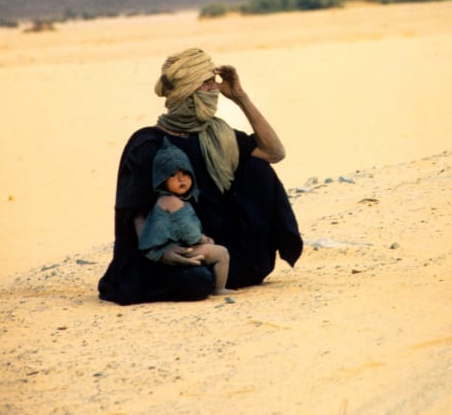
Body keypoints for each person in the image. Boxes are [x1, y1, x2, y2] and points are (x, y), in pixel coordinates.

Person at [98, 47, 302, 305]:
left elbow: (274, 152)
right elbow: (134, 210)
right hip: (166, 247)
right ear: (187, 91)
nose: (214, 89)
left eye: (213, 82)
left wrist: (241, 98)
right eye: (206, 84)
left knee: (257, 168)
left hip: (214, 244)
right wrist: (161, 251)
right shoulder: (149, 143)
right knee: (194, 282)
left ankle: (231, 266)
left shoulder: (217, 134)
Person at [138, 137, 234, 296]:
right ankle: (218, 288)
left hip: (175, 247)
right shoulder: (172, 202)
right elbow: (187, 232)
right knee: (221, 253)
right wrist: (203, 239)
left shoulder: (173, 200)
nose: (181, 179)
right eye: (173, 175)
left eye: (185, 174)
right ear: (162, 180)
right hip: (174, 249)